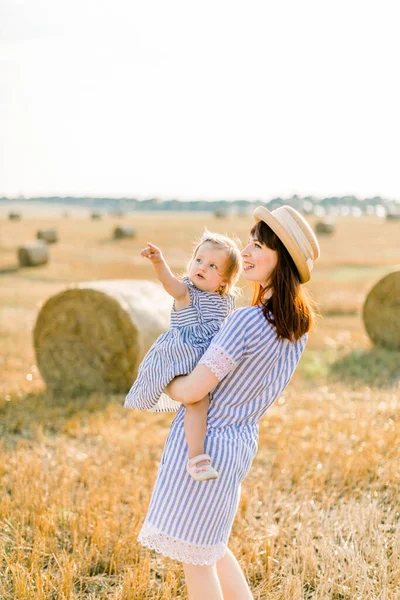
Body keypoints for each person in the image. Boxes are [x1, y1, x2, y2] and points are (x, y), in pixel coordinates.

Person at [135, 205, 320, 600]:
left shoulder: (244, 322)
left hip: (208, 445)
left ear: (281, 259)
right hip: (240, 443)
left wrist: (164, 381)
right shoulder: (295, 327)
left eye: (259, 247)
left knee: (198, 560)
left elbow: (192, 392)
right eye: (250, 243)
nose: (248, 252)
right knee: (213, 547)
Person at [125, 231, 242, 480]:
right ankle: (196, 459)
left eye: (213, 266)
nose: (202, 267)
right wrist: (159, 262)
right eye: (198, 260)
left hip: (209, 358)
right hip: (183, 357)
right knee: (197, 402)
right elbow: (169, 283)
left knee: (211, 402)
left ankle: (205, 454)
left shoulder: (225, 301)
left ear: (224, 281)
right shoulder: (186, 291)